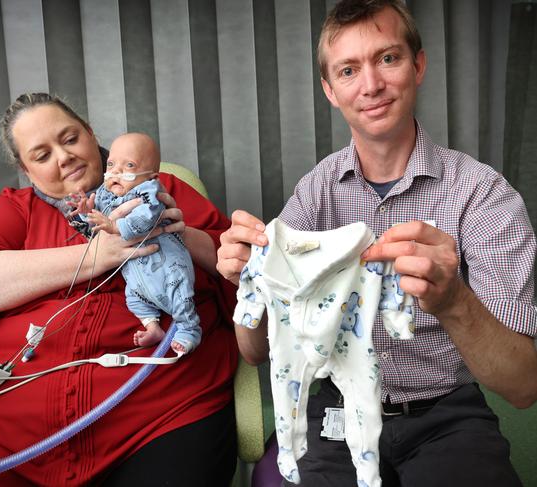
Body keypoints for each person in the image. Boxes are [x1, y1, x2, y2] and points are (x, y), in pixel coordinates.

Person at [216, 1, 537, 486]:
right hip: (333, 417)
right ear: (330, 89)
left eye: (388, 58)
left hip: (444, 417)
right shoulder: (314, 192)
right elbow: (256, 352)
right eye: (348, 70)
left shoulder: (482, 195)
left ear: (418, 65)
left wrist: (453, 302)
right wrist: (250, 283)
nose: (370, 85)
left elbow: (523, 385)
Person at [0, 93, 239, 486]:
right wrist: (101, 254)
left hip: (157, 418)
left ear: (91, 134)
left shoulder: (164, 191)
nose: (64, 157)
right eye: (42, 155)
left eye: (70, 138)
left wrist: (179, 231)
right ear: (26, 170)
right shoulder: (11, 211)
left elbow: (238, 274)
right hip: (2, 443)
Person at [68, 132, 201, 355]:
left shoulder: (149, 191)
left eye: (129, 165)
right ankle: (153, 327)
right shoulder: (105, 193)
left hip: (166, 266)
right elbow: (98, 229)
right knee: (134, 298)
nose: (116, 171)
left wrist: (115, 227)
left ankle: (189, 329)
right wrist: (86, 213)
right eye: (111, 164)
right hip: (137, 277)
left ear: (151, 176)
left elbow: (148, 216)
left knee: (180, 295)